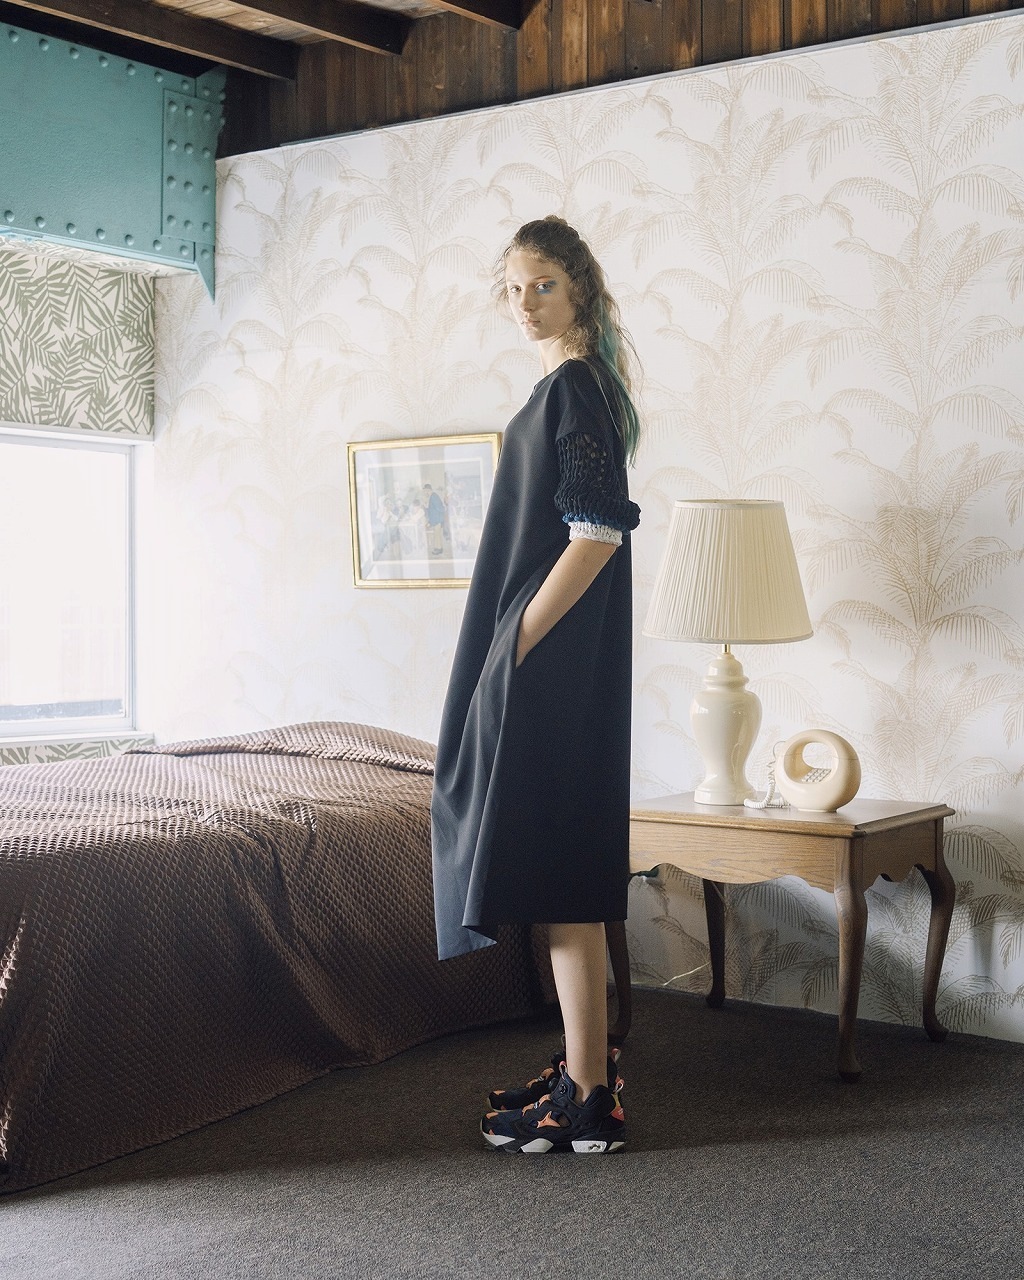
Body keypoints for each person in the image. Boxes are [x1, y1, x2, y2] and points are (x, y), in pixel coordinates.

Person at [430, 216, 641, 1154]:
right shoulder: (569, 386)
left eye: (543, 285)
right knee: (561, 875)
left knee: (563, 873)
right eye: (514, 288)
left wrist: (516, 640)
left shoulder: (576, 386)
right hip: (547, 658)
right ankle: (584, 1078)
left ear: (580, 287)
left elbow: (597, 532)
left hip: (548, 660)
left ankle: (589, 1092)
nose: (525, 304)